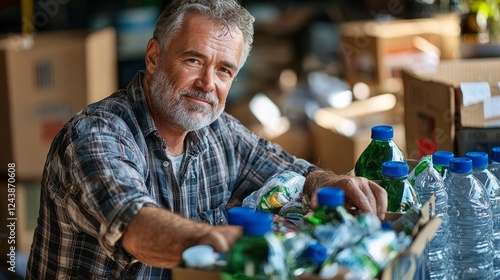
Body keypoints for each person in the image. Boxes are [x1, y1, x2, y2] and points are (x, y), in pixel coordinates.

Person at [26, 0, 387, 279]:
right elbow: (135, 224)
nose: (207, 83)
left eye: (224, 70)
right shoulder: (96, 135)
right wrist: (217, 241)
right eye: (194, 61)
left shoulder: (217, 131)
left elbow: (290, 169)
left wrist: (329, 182)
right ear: (154, 57)